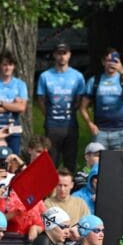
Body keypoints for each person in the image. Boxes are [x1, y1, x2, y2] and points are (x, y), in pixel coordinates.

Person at [36, 43, 85, 171]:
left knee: (70, 161)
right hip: (52, 125)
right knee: (51, 161)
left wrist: (69, 111)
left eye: (65, 53)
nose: (62, 57)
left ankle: (68, 187)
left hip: (70, 124)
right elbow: (41, 100)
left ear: (69, 55)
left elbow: (79, 100)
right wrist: (49, 114)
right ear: (54, 55)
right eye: (59, 53)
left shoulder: (78, 76)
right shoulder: (45, 76)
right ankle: (50, 190)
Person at [80, 48, 123, 151]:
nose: (111, 64)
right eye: (108, 60)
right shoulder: (94, 81)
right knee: (99, 164)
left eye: (114, 61)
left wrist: (122, 72)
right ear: (103, 62)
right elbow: (83, 107)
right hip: (100, 132)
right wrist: (90, 123)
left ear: (119, 62)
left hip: (122, 131)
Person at [0, 50, 29, 156]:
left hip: (14, 130)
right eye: (5, 65)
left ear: (14, 66)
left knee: (13, 162)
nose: (7, 68)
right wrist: (13, 105)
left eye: (10, 65)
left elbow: (22, 108)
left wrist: (1, 103)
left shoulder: (20, 84)